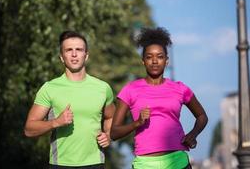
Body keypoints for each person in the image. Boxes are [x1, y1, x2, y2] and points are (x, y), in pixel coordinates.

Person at [111, 27, 208, 169]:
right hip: (145, 164)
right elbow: (113, 133)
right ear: (143, 61)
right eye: (149, 57)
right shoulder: (130, 90)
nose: (155, 61)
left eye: (160, 56)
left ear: (166, 61)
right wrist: (137, 123)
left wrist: (193, 135)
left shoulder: (180, 89)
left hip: (177, 161)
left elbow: (202, 116)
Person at [24, 30, 115, 169]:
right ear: (62, 57)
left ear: (86, 55)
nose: (74, 54)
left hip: (95, 164)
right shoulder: (50, 88)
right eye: (68, 50)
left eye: (79, 49)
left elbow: (111, 117)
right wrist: (55, 122)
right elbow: (29, 129)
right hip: (61, 164)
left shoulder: (103, 88)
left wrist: (108, 135)